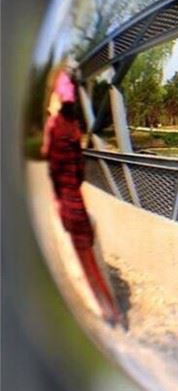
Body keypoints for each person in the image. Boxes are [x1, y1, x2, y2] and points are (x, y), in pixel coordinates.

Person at [43, 75, 125, 327]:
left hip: (65, 205)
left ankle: (105, 313)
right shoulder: (74, 127)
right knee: (91, 261)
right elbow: (79, 171)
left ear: (57, 99)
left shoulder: (54, 126)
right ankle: (114, 310)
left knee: (80, 264)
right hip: (78, 203)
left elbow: (52, 167)